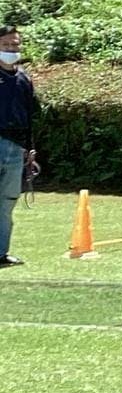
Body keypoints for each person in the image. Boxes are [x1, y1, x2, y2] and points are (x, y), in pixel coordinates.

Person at [0, 25, 35, 267]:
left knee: (7, 202)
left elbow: (30, 116)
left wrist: (30, 148)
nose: (11, 49)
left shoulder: (24, 79)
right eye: (6, 45)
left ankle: (1, 253)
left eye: (15, 45)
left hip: (16, 147)